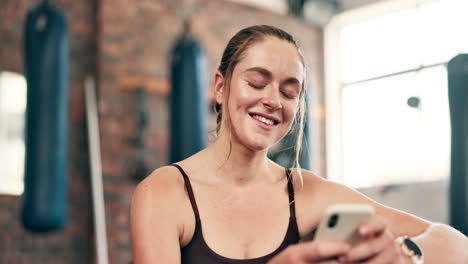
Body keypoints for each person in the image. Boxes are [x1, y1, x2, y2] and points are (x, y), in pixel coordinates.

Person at [131, 25, 468, 264]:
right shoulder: (164, 192)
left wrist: (408, 255)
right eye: (257, 82)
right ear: (220, 87)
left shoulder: (307, 192)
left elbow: (456, 244)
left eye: (289, 92)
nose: (273, 100)